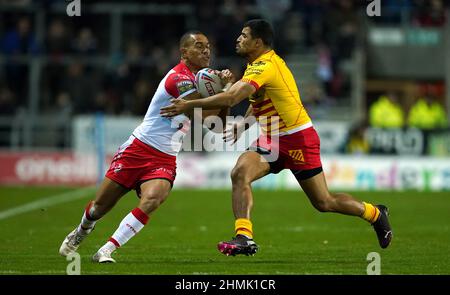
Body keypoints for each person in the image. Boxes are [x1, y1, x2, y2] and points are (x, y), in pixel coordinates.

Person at [161, 19, 393, 256]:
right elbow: (259, 99)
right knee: (240, 172)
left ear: (257, 42)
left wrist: (188, 104)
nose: (238, 39)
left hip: (298, 139)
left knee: (324, 202)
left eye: (243, 35)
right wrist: (244, 125)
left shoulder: (266, 66)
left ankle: (375, 213)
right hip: (271, 138)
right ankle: (244, 237)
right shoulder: (255, 66)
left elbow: (232, 99)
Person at [59, 31, 233, 263]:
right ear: (184, 52)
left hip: (165, 158)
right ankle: (82, 230)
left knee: (153, 199)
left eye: (208, 46)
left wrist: (222, 93)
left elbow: (217, 125)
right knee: (99, 208)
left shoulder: (199, 83)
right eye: (199, 46)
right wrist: (222, 91)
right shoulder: (178, 79)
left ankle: (107, 249)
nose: (206, 51)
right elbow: (201, 110)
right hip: (138, 149)